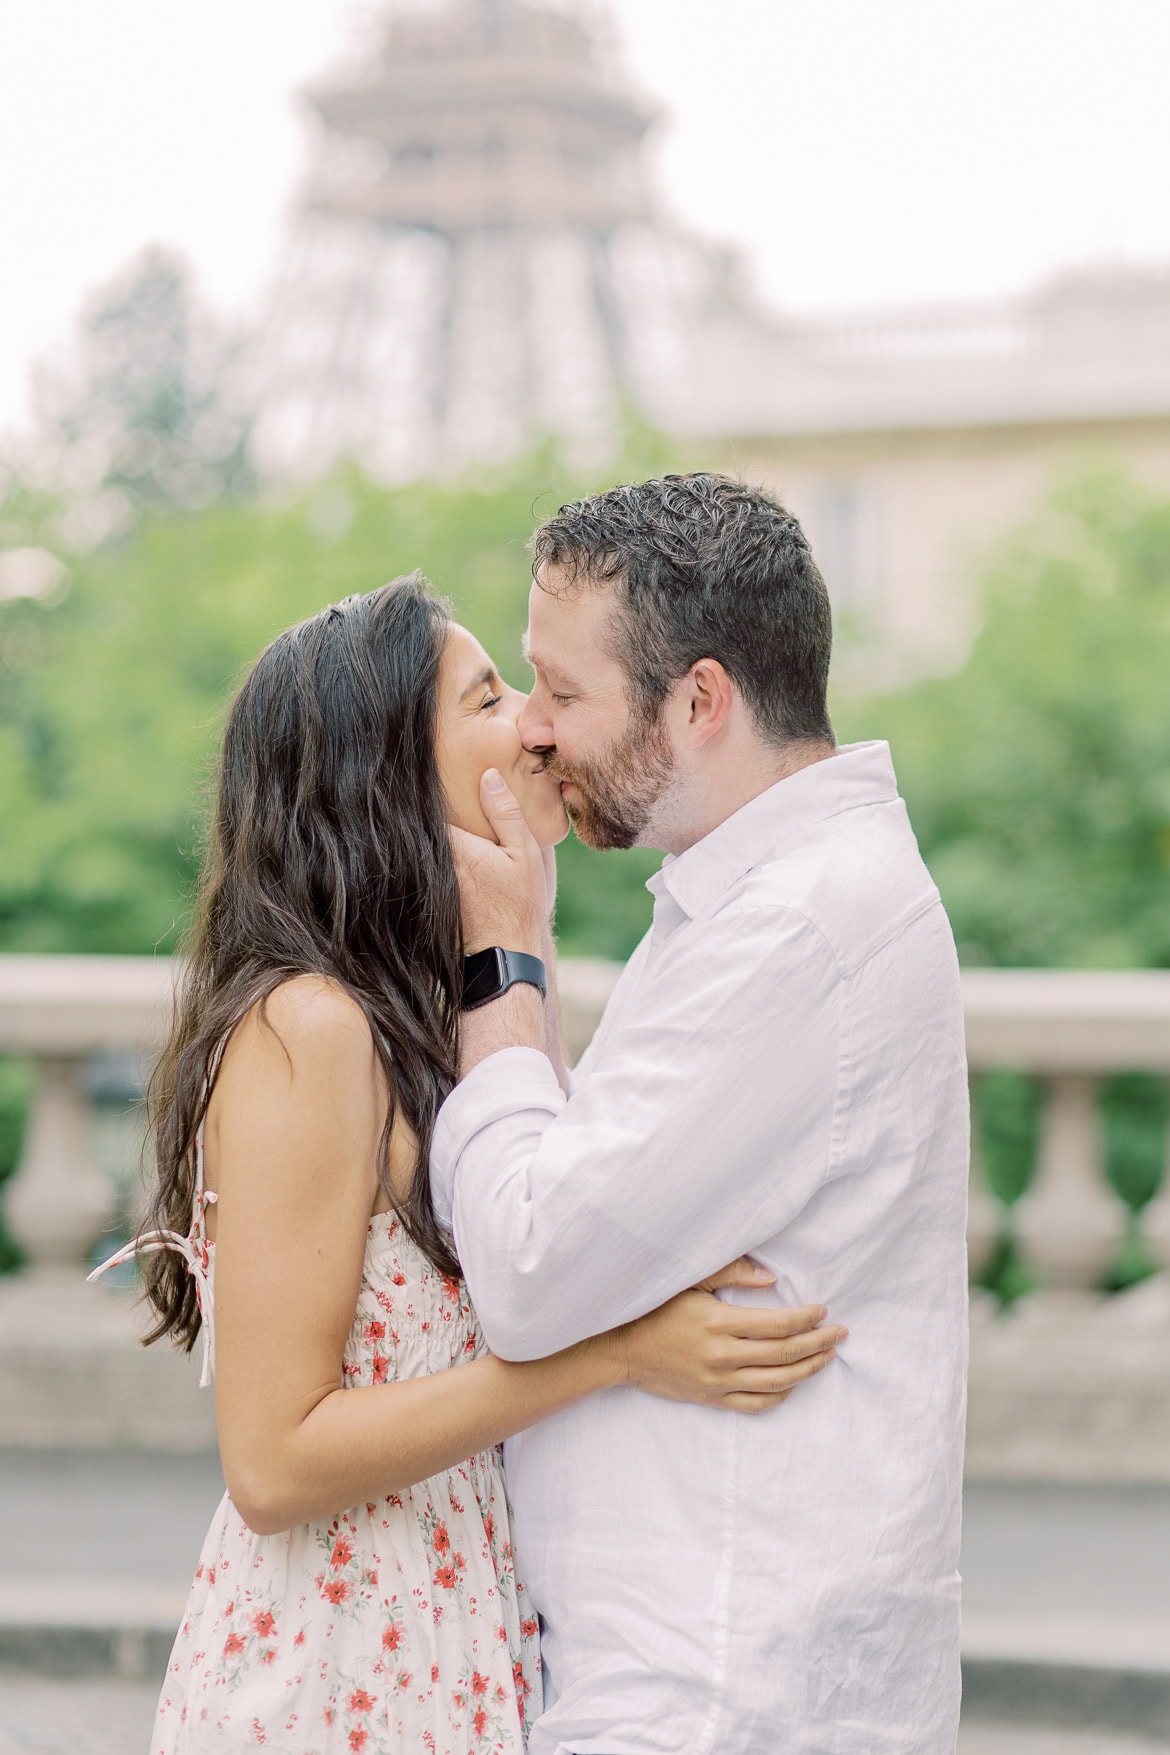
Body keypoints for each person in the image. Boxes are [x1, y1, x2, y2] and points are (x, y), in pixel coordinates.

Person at [92, 575, 845, 1754]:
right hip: (337, 1671)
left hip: (462, 1643)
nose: (537, 724)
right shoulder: (311, 1029)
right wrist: (619, 1356)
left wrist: (520, 945)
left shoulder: (445, 1016)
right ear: (383, 771)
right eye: (490, 696)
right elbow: (274, 1460)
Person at [430, 474, 970, 1755]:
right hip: (692, 1672)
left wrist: (500, 960)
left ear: (702, 700)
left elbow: (528, 1263)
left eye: (564, 691)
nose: (538, 732)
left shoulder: (793, 925)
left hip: (716, 1686)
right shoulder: (760, 895)